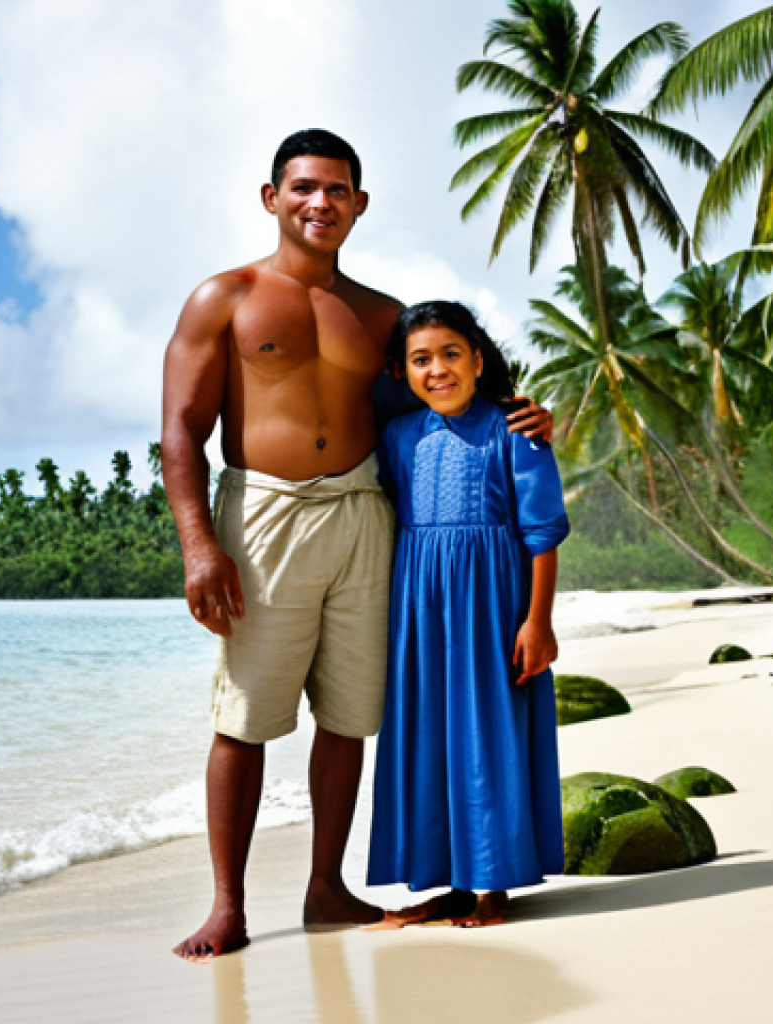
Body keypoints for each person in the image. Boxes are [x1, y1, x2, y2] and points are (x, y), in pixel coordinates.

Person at [161, 130, 553, 961]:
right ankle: (227, 904)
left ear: (359, 204)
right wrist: (200, 545)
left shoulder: (379, 316)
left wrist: (529, 416)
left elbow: (445, 395)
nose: (320, 203)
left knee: (348, 714)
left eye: (337, 190)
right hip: (263, 515)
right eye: (303, 188)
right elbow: (181, 432)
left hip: (366, 514)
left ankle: (325, 888)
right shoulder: (222, 299)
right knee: (245, 716)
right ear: (271, 198)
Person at [365, 301, 569, 929]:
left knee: (489, 735)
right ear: (402, 371)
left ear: (479, 361)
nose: (438, 370)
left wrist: (539, 622)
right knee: (428, 737)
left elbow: (543, 533)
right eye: (420, 360)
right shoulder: (399, 437)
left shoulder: (515, 431)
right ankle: (446, 882)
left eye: (452, 355)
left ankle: (492, 885)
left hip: (492, 609)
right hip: (421, 613)